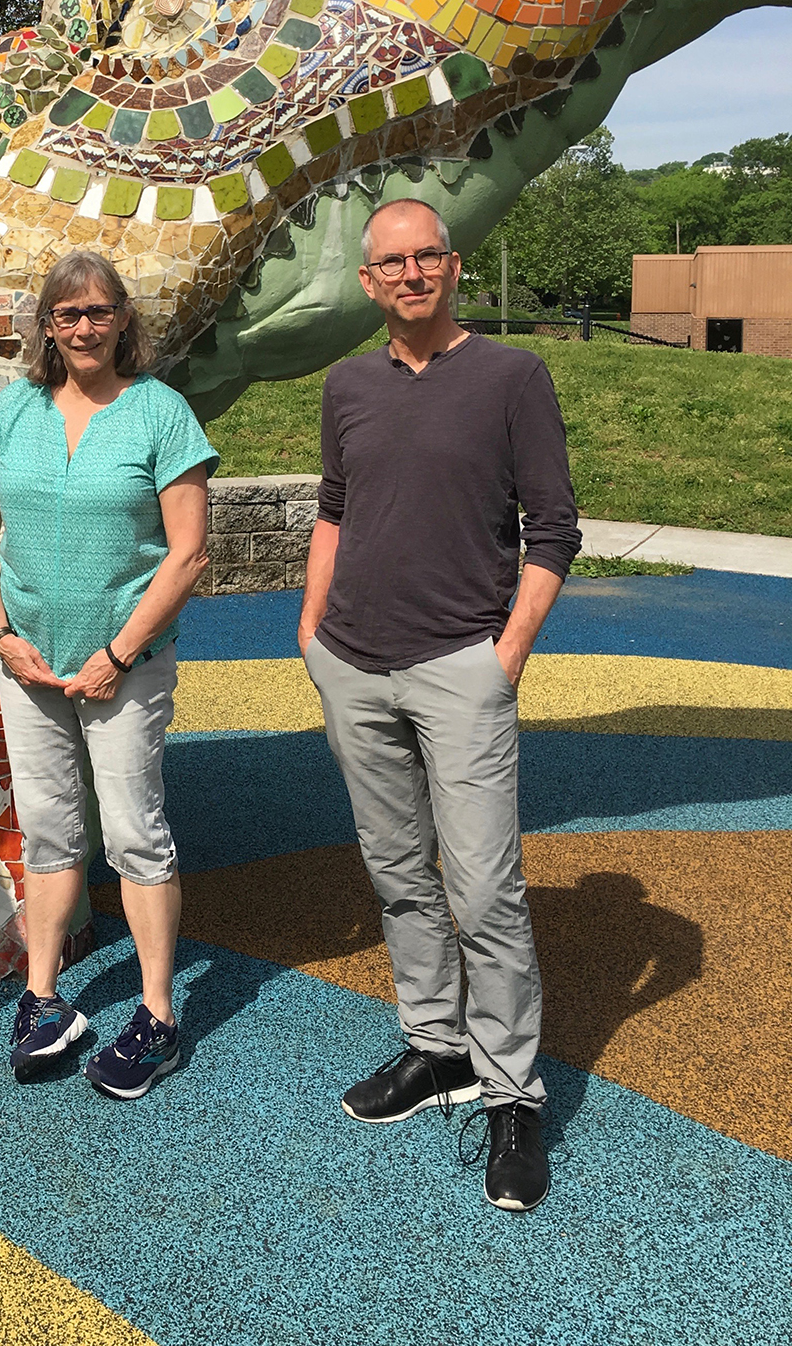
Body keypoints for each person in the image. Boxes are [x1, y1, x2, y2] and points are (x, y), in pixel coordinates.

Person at [298, 197, 580, 1213]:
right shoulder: (348, 384)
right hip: (353, 664)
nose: (412, 273)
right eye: (392, 262)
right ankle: (436, 1046)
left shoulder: (512, 377)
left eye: (428, 257)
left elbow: (551, 528)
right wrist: (311, 624)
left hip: (461, 663)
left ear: (453, 268)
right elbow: (334, 506)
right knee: (396, 874)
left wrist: (504, 656)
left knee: (486, 891)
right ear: (368, 283)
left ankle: (513, 1093)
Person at [0, 249, 218, 1098]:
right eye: (68, 314)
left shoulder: (160, 413)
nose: (84, 327)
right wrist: (2, 634)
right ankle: (42, 999)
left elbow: (187, 555)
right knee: (47, 832)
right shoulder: (13, 412)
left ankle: (157, 1015)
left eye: (99, 311)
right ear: (47, 325)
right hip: (29, 663)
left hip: (127, 666)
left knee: (134, 832)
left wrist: (116, 653)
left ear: (122, 321)